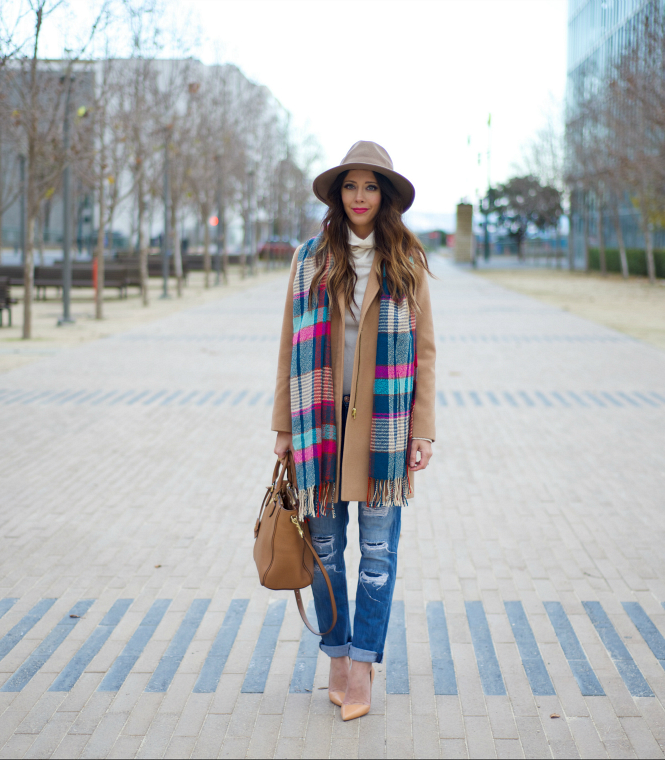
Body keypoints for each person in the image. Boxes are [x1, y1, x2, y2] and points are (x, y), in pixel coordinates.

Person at [272, 141, 436, 721]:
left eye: (370, 187)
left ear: (384, 196)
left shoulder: (406, 262)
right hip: (318, 428)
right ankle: (336, 657)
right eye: (351, 186)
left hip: (382, 431)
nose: (360, 197)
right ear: (338, 195)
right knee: (323, 550)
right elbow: (289, 348)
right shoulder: (309, 259)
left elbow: (425, 355)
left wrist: (423, 431)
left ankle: (363, 665)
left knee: (376, 553)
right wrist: (283, 430)